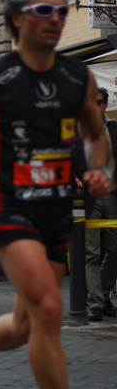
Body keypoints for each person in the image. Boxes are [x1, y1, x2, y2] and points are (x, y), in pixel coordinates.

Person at [0, 0, 111, 389]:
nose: (57, 18)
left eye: (63, 11)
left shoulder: (77, 77)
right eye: (44, 10)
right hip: (9, 207)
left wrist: (98, 168)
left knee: (25, 323)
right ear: (17, 17)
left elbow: (93, 136)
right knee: (49, 310)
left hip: (57, 210)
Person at [83, 87, 117, 321]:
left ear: (104, 105)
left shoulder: (114, 128)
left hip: (113, 196)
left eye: (96, 103)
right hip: (89, 198)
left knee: (115, 251)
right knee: (91, 254)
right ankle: (94, 303)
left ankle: (104, 296)